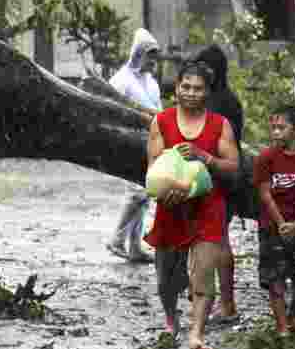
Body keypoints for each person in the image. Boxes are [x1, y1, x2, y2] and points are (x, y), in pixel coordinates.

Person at [144, 61, 240, 349]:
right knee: (165, 280)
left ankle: (196, 333)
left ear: (207, 92)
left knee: (203, 273)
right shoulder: (161, 122)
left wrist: (204, 156)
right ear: (176, 88)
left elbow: (234, 166)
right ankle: (171, 318)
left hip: (208, 207)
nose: (191, 93)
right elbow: (152, 168)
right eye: (185, 86)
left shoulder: (219, 124)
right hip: (171, 206)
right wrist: (164, 193)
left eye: (198, 88)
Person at [254, 106, 295, 339]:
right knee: (276, 278)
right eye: (273, 128)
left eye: (281, 128)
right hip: (272, 226)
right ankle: (282, 328)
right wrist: (282, 223)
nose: (276, 132)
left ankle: (294, 314)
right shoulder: (265, 158)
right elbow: (265, 193)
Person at [192, 44, 243, 324]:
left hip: (218, 176)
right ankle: (221, 303)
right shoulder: (221, 98)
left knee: (218, 242)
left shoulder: (221, 102)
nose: (201, 72)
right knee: (212, 241)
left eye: (205, 67)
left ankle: (227, 305)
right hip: (218, 174)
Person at [106, 28, 162, 262]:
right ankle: (116, 239)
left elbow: (158, 110)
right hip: (128, 138)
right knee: (137, 191)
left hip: (151, 140)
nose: (153, 61)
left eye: (155, 56)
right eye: (150, 55)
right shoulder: (121, 80)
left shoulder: (151, 82)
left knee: (144, 192)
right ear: (139, 54)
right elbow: (112, 109)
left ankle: (134, 246)